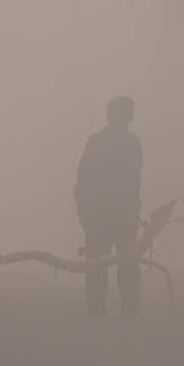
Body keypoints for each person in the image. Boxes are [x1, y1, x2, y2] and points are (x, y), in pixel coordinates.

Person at [74, 96, 143, 316]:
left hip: (123, 217)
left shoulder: (133, 143)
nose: (127, 120)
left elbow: (135, 181)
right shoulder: (98, 142)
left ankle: (129, 311)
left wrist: (134, 211)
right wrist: (85, 215)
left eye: (129, 116)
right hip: (99, 216)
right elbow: (82, 181)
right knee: (98, 267)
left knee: (128, 267)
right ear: (112, 115)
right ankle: (98, 312)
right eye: (124, 114)